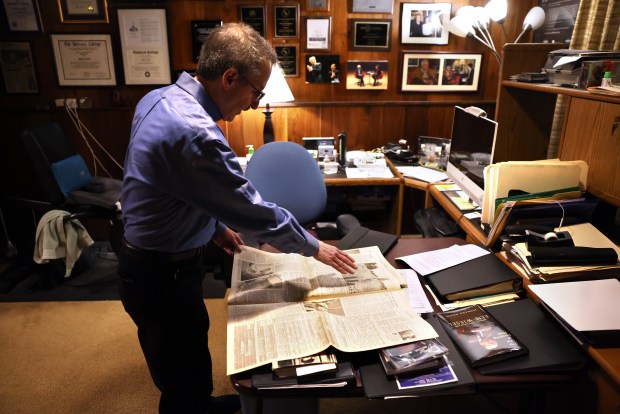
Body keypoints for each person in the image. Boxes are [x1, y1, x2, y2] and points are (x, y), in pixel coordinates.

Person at [118, 22, 357, 414]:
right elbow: (257, 212)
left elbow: (172, 187)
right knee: (181, 375)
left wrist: (213, 228)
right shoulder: (196, 133)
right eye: (255, 92)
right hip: (161, 273)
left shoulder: (159, 98)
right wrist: (316, 248)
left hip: (153, 263)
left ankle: (199, 402)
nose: (252, 103)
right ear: (230, 78)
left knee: (187, 355)